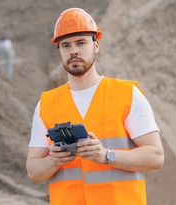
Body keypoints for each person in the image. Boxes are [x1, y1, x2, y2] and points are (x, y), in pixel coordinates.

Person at [26, 8, 164, 205]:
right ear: (60, 51)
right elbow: (33, 170)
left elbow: (156, 156)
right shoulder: (46, 104)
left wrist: (107, 156)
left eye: (81, 43)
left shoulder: (126, 95)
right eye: (66, 45)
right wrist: (52, 161)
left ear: (96, 45)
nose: (73, 50)